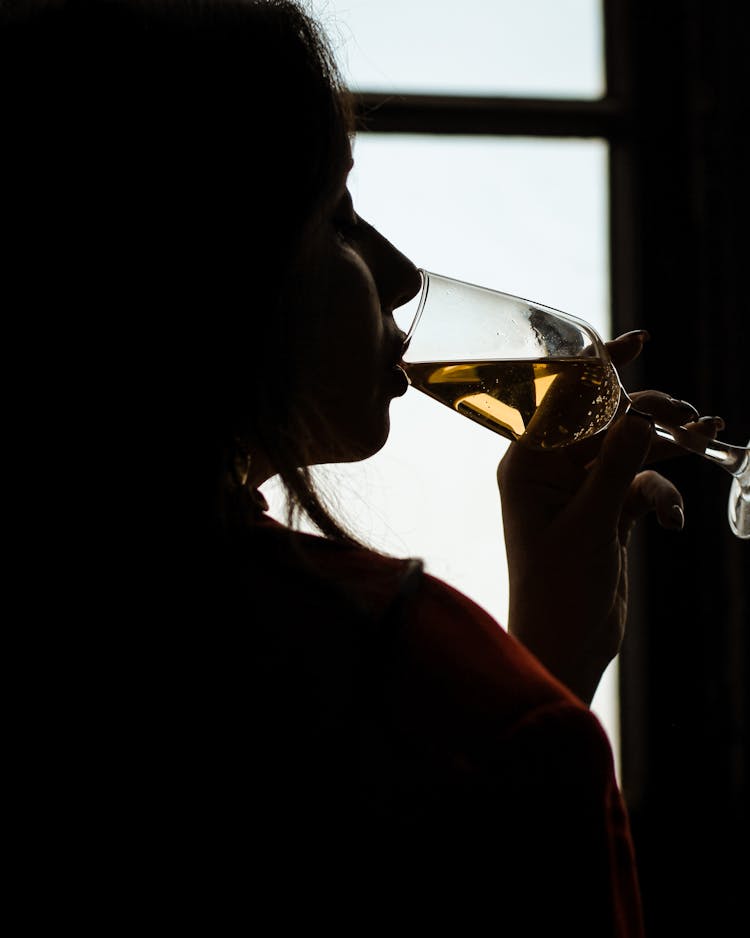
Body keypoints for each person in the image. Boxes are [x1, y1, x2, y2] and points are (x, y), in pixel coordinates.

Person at [2, 0, 721, 932]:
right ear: (208, 265)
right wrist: (526, 708)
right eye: (337, 216)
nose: (397, 272)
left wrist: (551, 658)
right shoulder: (426, 689)